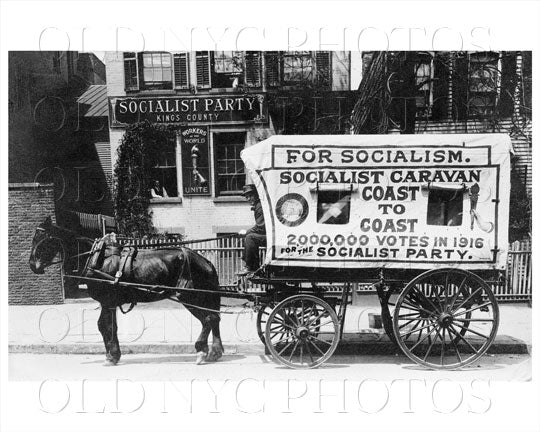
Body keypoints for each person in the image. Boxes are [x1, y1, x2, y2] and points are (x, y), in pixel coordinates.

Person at [239, 184, 266, 275]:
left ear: (256, 195)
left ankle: (252, 267)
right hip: (269, 235)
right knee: (249, 236)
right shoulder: (258, 206)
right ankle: (249, 265)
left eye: (250, 196)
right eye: (247, 197)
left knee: (250, 237)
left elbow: (261, 227)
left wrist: (246, 232)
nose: (248, 199)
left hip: (272, 236)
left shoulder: (260, 206)